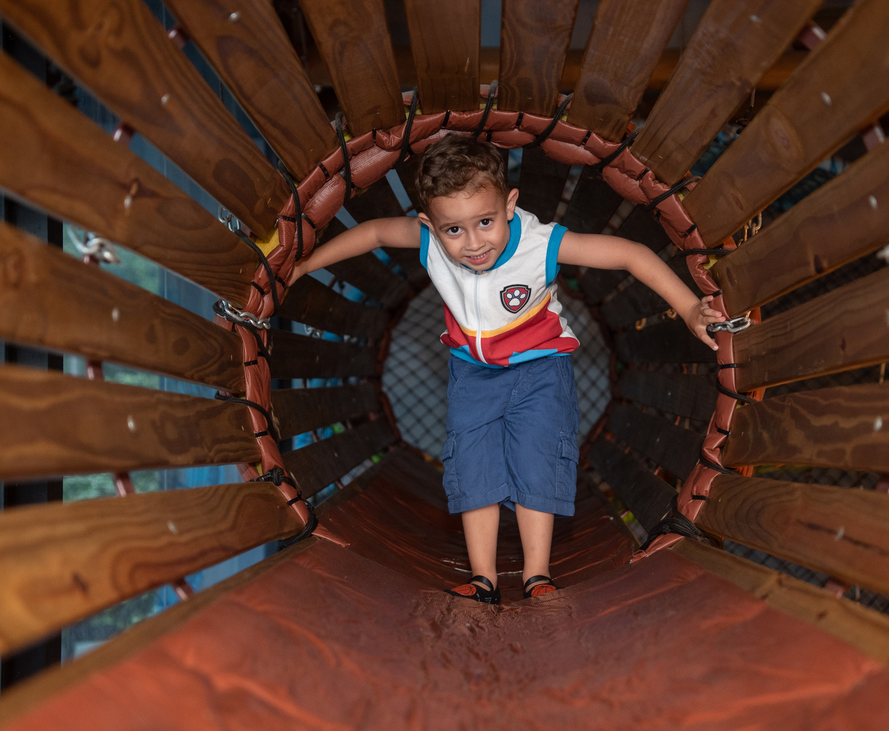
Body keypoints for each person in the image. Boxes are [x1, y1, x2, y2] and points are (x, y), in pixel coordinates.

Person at [289, 135, 723, 604]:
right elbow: (374, 233)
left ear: (510, 205)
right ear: (429, 225)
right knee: (472, 463)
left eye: (485, 222)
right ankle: (484, 579)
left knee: (537, 459)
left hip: (541, 369)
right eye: (454, 229)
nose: (474, 243)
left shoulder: (538, 243)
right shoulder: (429, 241)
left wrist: (688, 309)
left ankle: (537, 576)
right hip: (472, 373)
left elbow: (629, 254)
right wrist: (306, 265)